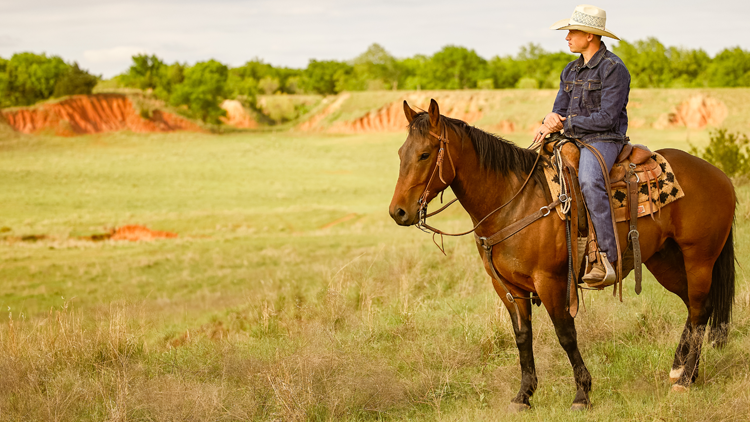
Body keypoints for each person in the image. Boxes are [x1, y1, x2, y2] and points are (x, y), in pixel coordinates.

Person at [532, 4, 631, 286]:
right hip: (571, 137)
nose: (567, 38)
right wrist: (549, 119)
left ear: (590, 36)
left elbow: (607, 118)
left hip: (604, 139)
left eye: (572, 32)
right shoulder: (570, 69)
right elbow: (559, 109)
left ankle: (607, 257)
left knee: (588, 180)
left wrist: (565, 124)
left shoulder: (613, 69)